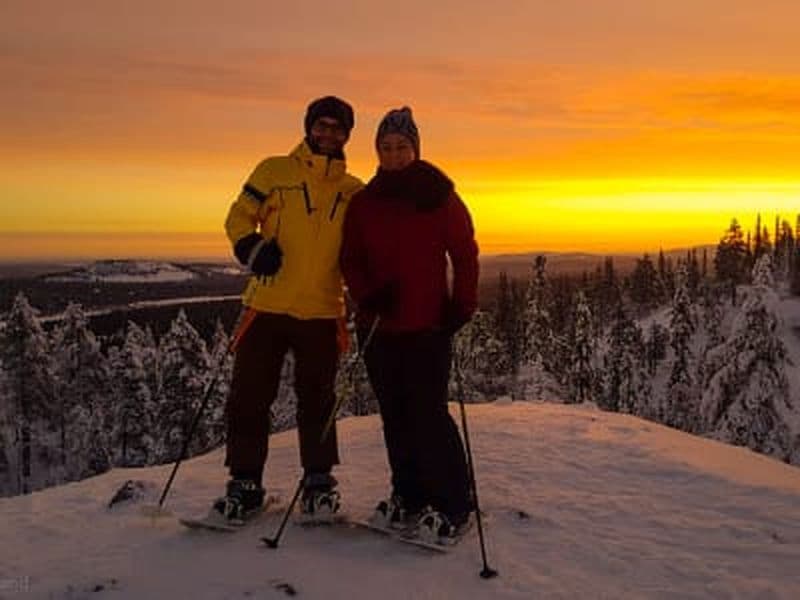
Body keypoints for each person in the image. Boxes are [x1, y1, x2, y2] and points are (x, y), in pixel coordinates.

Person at [216, 96, 363, 522]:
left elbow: (369, 244)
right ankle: (245, 482)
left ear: (347, 135)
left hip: (322, 310)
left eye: (338, 128)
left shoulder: (353, 190)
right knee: (248, 396)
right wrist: (253, 247)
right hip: (267, 304)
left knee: (318, 400)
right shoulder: (274, 170)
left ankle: (319, 482)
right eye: (322, 125)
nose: (329, 133)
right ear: (308, 127)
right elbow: (238, 216)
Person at [340, 107, 480, 540]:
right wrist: (365, 295)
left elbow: (465, 253)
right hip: (379, 327)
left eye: (402, 146)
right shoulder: (365, 202)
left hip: (427, 327)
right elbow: (350, 258)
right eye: (386, 147)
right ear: (376, 151)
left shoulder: (439, 195)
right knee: (395, 417)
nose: (394, 154)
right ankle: (409, 495)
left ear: (415, 148)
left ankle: (454, 503)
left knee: (429, 416)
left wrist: (460, 307)